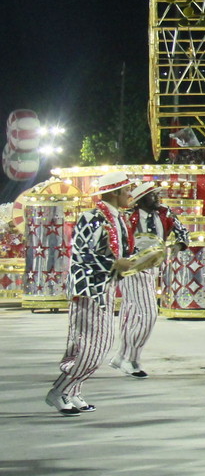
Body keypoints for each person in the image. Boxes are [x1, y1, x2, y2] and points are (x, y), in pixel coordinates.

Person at [46, 173, 139, 415]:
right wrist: (115, 263)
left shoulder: (117, 218)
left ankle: (73, 392)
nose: (131, 194)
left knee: (98, 344)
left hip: (104, 287)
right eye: (127, 190)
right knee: (91, 347)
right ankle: (60, 390)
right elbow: (83, 254)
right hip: (89, 289)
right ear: (114, 192)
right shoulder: (93, 217)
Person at [111, 181, 189, 378]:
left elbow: (183, 234)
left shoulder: (165, 213)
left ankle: (123, 356)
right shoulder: (127, 218)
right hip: (133, 269)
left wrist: (175, 248)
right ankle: (130, 358)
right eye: (153, 195)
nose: (157, 198)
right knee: (148, 314)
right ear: (140, 200)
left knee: (132, 313)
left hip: (153, 268)